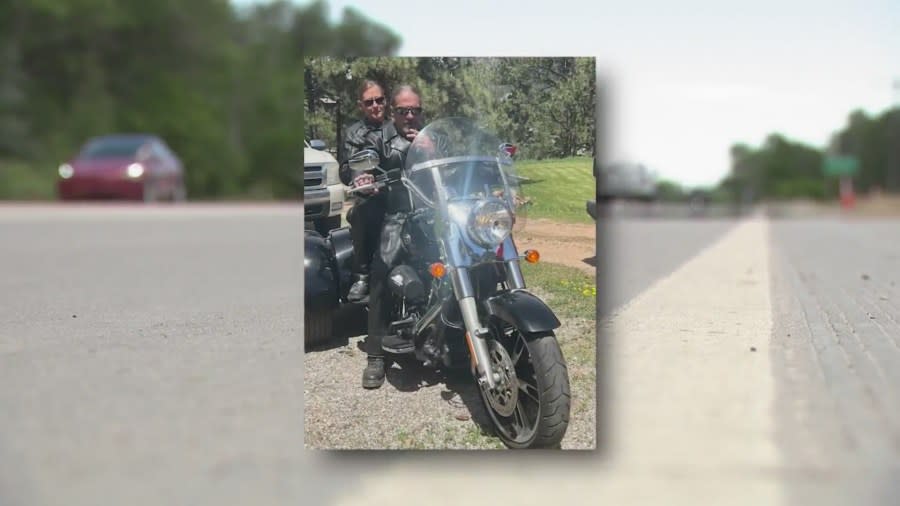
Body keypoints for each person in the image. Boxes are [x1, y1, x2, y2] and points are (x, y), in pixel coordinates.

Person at [361, 84, 426, 389]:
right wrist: (363, 176)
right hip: (397, 216)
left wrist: (430, 148)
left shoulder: (431, 137)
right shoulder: (380, 138)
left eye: (415, 110)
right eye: (403, 111)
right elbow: (363, 164)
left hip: (430, 215)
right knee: (381, 271)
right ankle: (375, 355)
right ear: (393, 113)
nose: (410, 116)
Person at [340, 79, 396, 302]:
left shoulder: (398, 126)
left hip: (401, 192)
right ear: (361, 105)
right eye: (369, 101)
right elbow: (346, 168)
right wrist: (361, 180)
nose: (375, 105)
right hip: (373, 195)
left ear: (386, 101)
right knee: (364, 210)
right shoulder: (355, 133)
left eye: (379, 100)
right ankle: (362, 275)